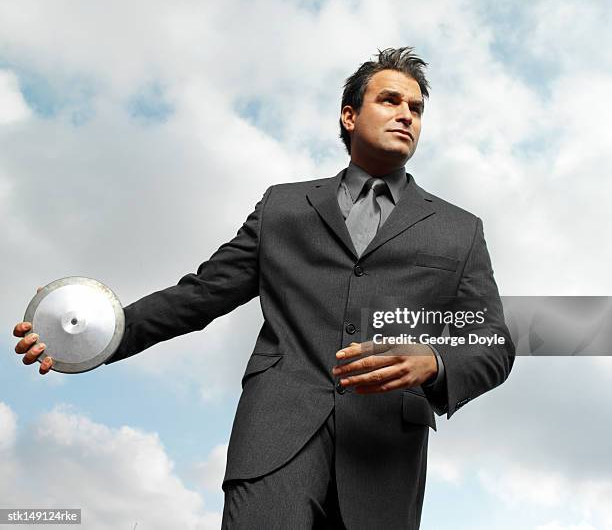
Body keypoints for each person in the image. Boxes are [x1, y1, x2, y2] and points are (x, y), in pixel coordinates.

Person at [13, 47, 515, 529]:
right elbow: (201, 294)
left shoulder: (458, 229)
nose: (406, 114)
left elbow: (495, 339)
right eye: (390, 100)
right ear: (348, 116)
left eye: (416, 108)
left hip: (385, 455)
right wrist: (94, 335)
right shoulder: (284, 208)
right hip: (275, 435)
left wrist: (435, 360)